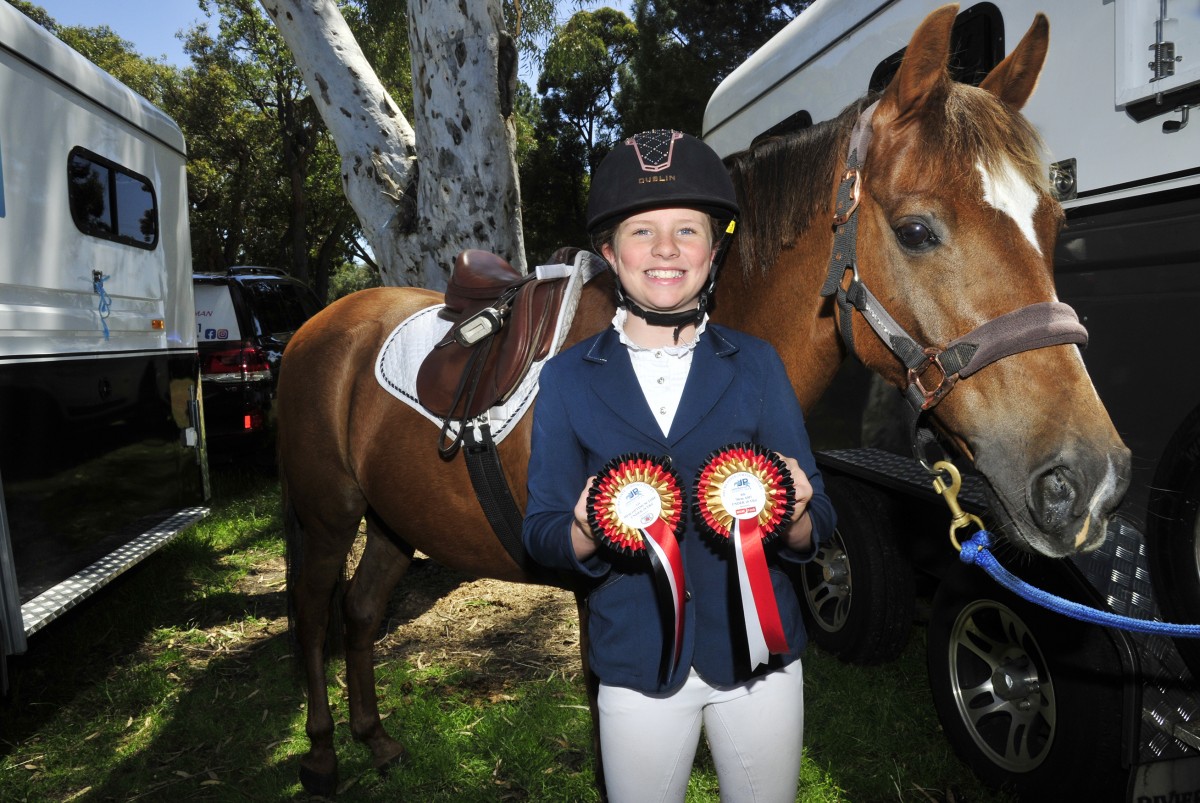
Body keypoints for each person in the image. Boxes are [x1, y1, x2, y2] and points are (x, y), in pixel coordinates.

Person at [522, 129, 835, 803]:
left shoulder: (757, 364)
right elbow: (540, 531)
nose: (665, 250)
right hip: (637, 664)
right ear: (610, 252)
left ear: (713, 250)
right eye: (642, 231)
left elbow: (820, 524)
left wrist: (801, 512)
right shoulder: (568, 379)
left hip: (760, 660)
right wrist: (583, 525)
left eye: (687, 230)